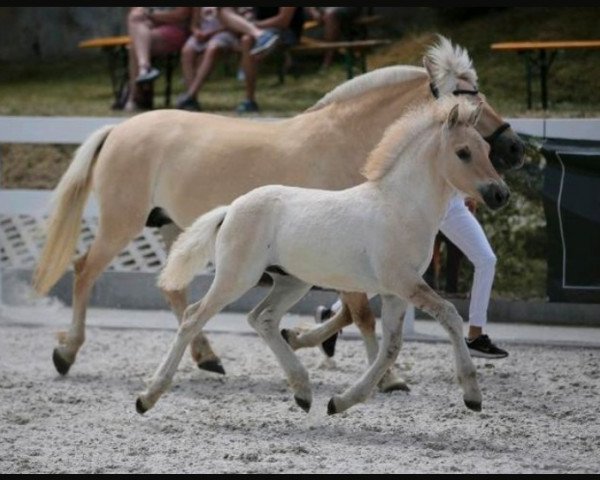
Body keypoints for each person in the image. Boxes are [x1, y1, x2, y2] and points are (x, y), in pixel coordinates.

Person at [315, 193, 509, 359]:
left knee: (486, 260)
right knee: (402, 274)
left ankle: (475, 336)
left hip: (453, 204)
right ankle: (333, 313)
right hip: (424, 202)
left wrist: (468, 192)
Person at [217, 7, 305, 113]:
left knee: (248, 41)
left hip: (286, 32)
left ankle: (249, 98)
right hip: (261, 29)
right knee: (227, 14)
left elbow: (283, 21)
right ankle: (250, 100)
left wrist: (253, 25)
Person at [124, 6, 192, 112]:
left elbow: (181, 16)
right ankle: (144, 69)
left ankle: (135, 97)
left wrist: (150, 15)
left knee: (135, 47)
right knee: (135, 17)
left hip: (177, 29)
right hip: (151, 28)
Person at [176, 7, 241, 111]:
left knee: (212, 48)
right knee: (187, 51)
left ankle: (190, 94)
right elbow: (194, 25)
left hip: (223, 33)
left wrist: (211, 33)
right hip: (203, 35)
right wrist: (197, 32)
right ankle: (192, 99)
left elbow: (231, 24)